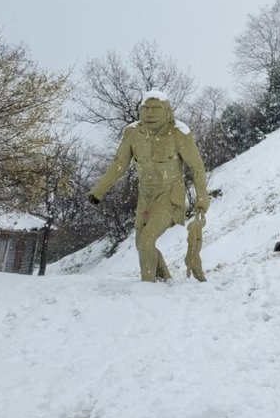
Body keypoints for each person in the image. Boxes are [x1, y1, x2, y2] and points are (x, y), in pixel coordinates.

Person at [88, 91, 211, 283]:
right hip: (145, 196)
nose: (150, 114)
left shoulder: (178, 134)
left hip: (170, 195)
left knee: (146, 241)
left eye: (156, 109)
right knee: (141, 244)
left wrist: (202, 198)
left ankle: (148, 287)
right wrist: (99, 191)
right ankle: (163, 278)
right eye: (145, 109)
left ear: (168, 112)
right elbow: (119, 164)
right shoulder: (133, 133)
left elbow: (197, 168)